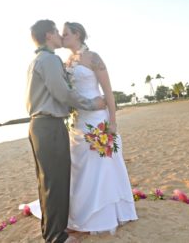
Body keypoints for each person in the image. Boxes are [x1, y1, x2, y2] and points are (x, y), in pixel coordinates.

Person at [26, 19, 106, 243]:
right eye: (56, 32)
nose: (60, 36)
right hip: (49, 126)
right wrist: (91, 105)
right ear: (49, 35)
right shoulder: (50, 60)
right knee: (56, 182)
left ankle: (50, 232)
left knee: (47, 182)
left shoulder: (38, 60)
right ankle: (57, 237)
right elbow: (63, 93)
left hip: (39, 126)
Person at [62, 22, 138, 235]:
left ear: (77, 34)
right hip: (78, 121)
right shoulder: (65, 62)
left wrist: (113, 122)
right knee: (80, 167)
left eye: (65, 33)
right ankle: (82, 213)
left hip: (97, 119)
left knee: (102, 165)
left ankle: (107, 213)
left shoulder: (94, 57)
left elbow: (108, 92)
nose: (62, 36)